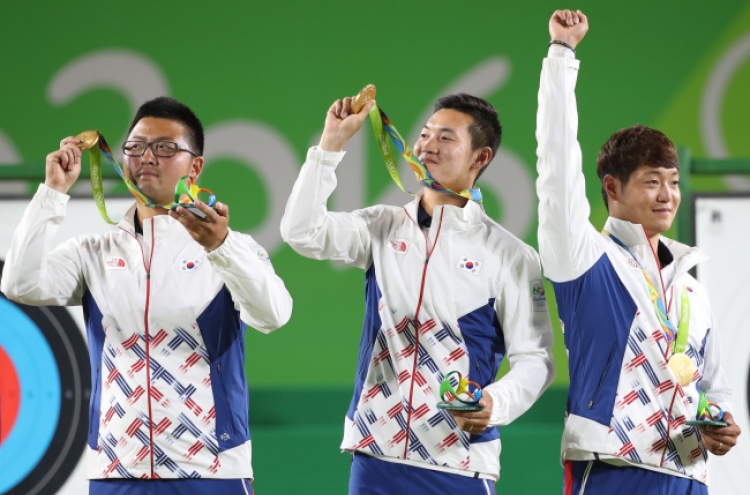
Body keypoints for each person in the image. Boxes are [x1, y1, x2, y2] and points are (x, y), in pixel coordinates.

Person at [1, 96, 293, 495]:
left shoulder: (231, 248)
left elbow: (273, 315)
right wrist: (53, 192)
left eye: (165, 148)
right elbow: (18, 283)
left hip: (211, 471)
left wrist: (221, 247)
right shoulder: (94, 252)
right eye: (135, 147)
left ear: (196, 166)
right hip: (116, 471)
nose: (147, 158)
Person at [281, 92, 555, 493]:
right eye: (425, 134)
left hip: (460, 463)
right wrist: (330, 145)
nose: (427, 145)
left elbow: (536, 358)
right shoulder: (381, 227)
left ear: (480, 158)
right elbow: (301, 232)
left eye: (446, 138)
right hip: (376, 455)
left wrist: (497, 402)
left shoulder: (512, 255)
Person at [536, 9, 741, 494]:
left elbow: (715, 384)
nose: (668, 195)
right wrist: (562, 56)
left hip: (689, 477)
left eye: (673, 183)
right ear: (612, 187)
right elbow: (557, 168)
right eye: (652, 182)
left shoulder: (691, 287)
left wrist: (723, 421)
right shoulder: (585, 259)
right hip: (613, 470)